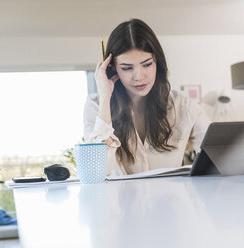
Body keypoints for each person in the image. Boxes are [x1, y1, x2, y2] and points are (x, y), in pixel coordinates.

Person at [84, 19, 210, 175]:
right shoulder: (96, 105)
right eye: (127, 68)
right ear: (112, 69)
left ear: (157, 62)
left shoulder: (183, 105)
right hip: (118, 200)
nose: (139, 76)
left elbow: (217, 157)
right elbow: (96, 171)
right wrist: (105, 99)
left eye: (147, 64)